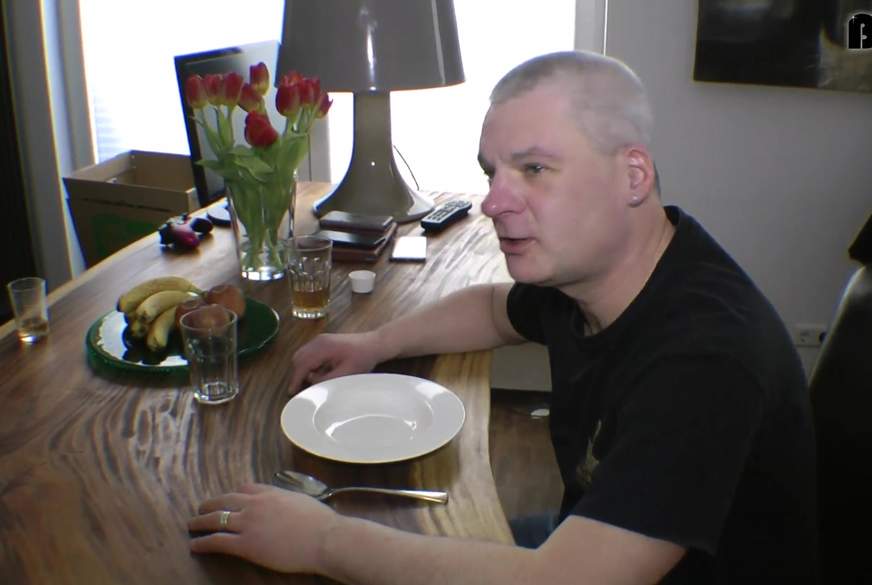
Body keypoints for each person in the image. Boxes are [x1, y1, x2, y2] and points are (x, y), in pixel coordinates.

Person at [187, 50, 819, 583]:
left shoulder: (706, 360)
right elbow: (493, 309)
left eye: (534, 169)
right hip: (588, 539)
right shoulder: (601, 271)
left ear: (633, 175)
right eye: (493, 173)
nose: (493, 202)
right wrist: (373, 342)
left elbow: (563, 581)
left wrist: (322, 541)